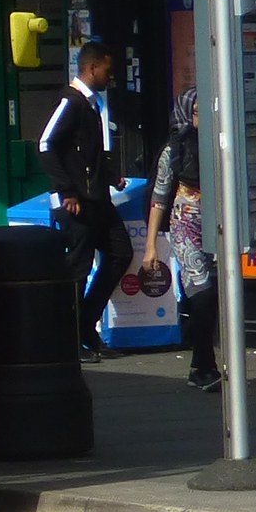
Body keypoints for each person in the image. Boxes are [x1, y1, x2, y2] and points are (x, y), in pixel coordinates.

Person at [37, 41, 128, 363]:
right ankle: (70, 339)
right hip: (78, 202)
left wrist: (110, 176)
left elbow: (86, 154)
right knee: (79, 267)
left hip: (97, 197)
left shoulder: (90, 104)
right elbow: (46, 143)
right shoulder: (71, 101)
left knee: (121, 253)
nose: (111, 76)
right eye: (108, 70)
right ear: (92, 68)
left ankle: (86, 325)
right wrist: (66, 191)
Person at [148, 89, 223, 392]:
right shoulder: (174, 149)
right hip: (186, 227)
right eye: (196, 112)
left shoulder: (220, 143)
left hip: (217, 226)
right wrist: (151, 245)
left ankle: (201, 365)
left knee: (210, 296)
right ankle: (205, 365)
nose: (202, 119)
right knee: (202, 293)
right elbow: (159, 198)